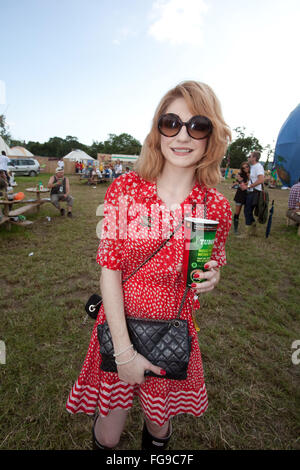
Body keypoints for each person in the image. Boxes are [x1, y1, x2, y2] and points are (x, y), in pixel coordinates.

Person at [66, 80, 232, 450]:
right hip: (119, 325)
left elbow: (213, 260)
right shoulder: (125, 189)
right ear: (157, 131)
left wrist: (213, 275)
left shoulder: (215, 207)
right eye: (171, 123)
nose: (182, 135)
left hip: (172, 330)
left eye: (197, 125)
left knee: (158, 427)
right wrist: (124, 353)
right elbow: (110, 269)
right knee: (108, 434)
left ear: (211, 136)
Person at [242, 151, 264, 236]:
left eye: (250, 156)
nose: (248, 158)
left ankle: (247, 233)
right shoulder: (253, 167)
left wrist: (249, 186)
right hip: (251, 192)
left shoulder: (258, 167)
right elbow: (254, 179)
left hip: (254, 192)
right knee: (248, 211)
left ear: (254, 158)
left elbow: (261, 180)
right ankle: (253, 228)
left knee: (247, 211)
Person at [232, 162, 250, 235]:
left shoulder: (251, 174)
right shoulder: (240, 175)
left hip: (248, 195)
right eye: (243, 168)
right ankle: (235, 229)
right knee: (237, 212)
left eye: (247, 167)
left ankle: (249, 228)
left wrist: (249, 180)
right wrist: (249, 182)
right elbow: (242, 186)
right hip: (240, 195)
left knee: (248, 212)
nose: (246, 169)